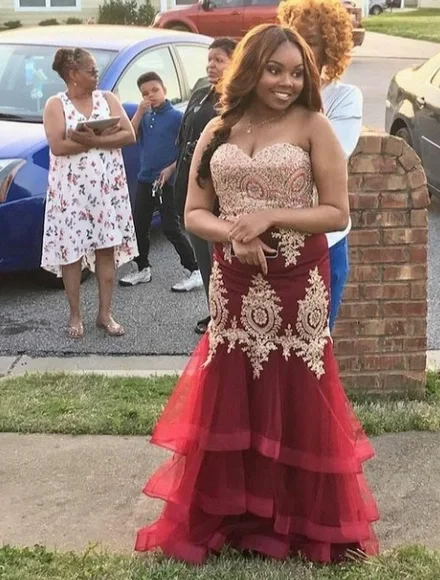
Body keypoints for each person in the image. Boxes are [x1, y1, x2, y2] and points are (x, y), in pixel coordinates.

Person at [135, 24, 378, 564]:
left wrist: (269, 216)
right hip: (235, 281)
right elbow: (193, 213)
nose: (287, 83)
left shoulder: (314, 126)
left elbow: (336, 211)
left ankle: (305, 519)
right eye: (274, 70)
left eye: (296, 74)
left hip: (296, 279)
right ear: (251, 69)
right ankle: (234, 515)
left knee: (296, 385)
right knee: (234, 381)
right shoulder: (218, 128)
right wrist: (235, 233)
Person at [42, 47, 137, 338]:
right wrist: (101, 138)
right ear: (73, 74)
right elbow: (58, 146)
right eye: (91, 71)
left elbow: (129, 135)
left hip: (106, 191)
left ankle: (105, 314)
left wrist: (90, 139)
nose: (96, 75)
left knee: (105, 250)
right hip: (71, 194)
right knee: (71, 255)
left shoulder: (107, 99)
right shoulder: (55, 105)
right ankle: (75, 316)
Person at [278, 0, 363, 330]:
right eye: (294, 39)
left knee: (315, 343)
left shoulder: (344, 98)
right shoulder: (272, 95)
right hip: (274, 241)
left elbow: (330, 159)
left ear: (330, 48)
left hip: (324, 242)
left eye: (310, 42)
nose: (300, 51)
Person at [174, 37, 238, 335]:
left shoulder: (237, 101)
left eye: (219, 60)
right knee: (203, 258)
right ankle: (214, 311)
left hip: (216, 194)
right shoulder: (201, 94)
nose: (211, 65)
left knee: (218, 260)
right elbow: (184, 137)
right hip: (189, 183)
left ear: (235, 63)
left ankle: (224, 315)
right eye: (209, 59)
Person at [119, 72, 203, 292]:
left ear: (164, 89)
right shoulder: (145, 116)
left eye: (155, 90)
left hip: (167, 180)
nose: (151, 96)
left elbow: (186, 150)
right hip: (145, 178)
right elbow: (129, 135)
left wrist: (170, 169)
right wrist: (139, 112)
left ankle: (194, 269)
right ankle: (142, 267)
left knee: (170, 227)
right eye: (145, 93)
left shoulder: (176, 117)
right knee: (139, 225)